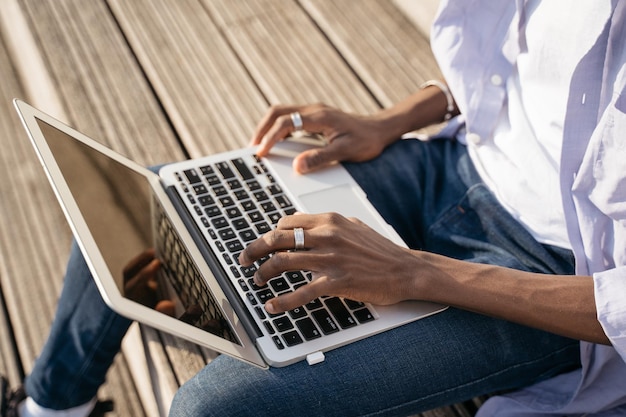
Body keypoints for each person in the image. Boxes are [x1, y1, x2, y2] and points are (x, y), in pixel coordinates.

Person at [2, 0, 626, 416]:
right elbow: (518, 73)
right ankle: (51, 407)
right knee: (150, 203)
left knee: (210, 409)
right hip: (452, 167)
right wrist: (393, 119)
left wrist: (417, 272)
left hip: (556, 279)